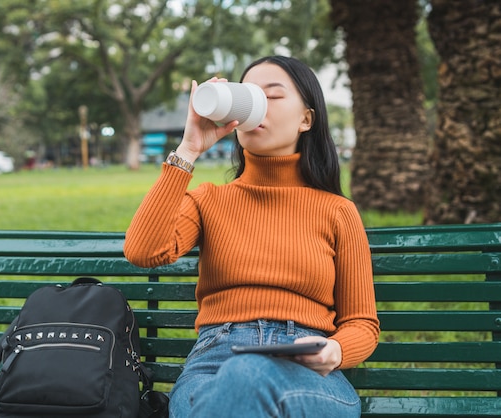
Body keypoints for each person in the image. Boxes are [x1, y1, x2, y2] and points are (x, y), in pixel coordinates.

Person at [124, 55, 380, 418]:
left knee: (245, 379)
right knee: (232, 386)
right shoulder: (208, 200)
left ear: (306, 118)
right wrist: (190, 148)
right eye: (247, 95)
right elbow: (142, 249)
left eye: (272, 96)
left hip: (305, 372)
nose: (256, 105)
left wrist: (334, 350)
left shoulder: (337, 211)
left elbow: (362, 323)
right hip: (211, 364)